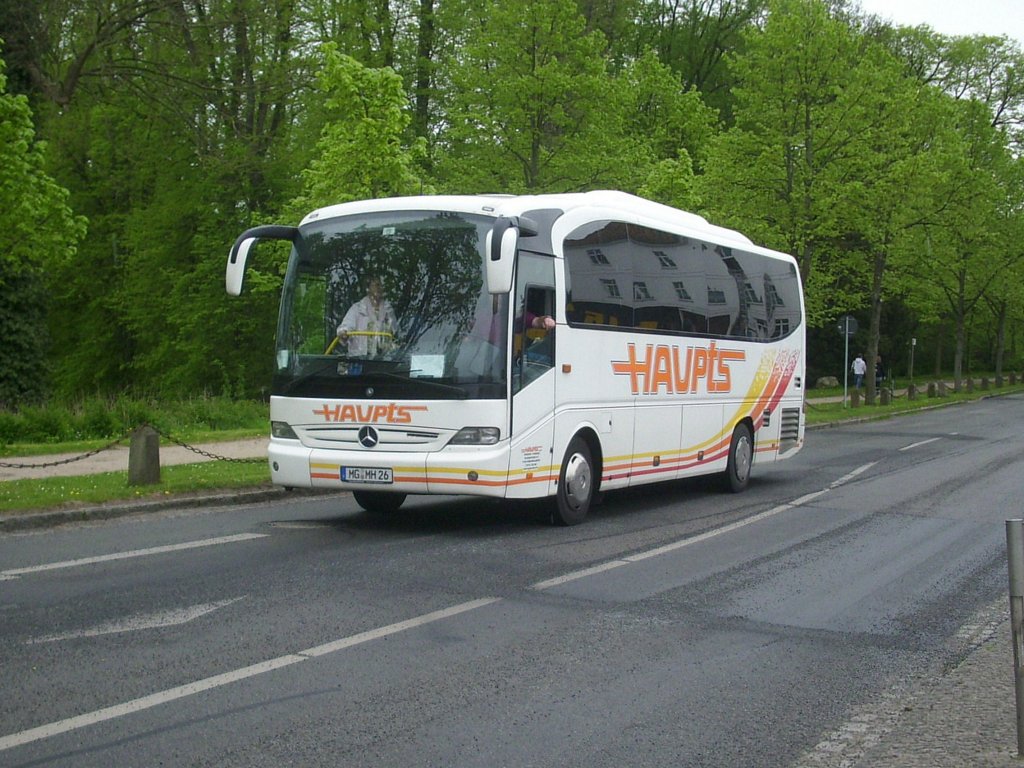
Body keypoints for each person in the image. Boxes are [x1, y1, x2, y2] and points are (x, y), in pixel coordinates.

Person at [336, 276, 397, 357]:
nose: (379, 288)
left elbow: (396, 334)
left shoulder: (388, 310)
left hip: (384, 361)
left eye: (381, 285)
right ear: (368, 288)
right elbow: (345, 327)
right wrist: (343, 333)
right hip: (359, 360)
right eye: (376, 285)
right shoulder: (357, 309)